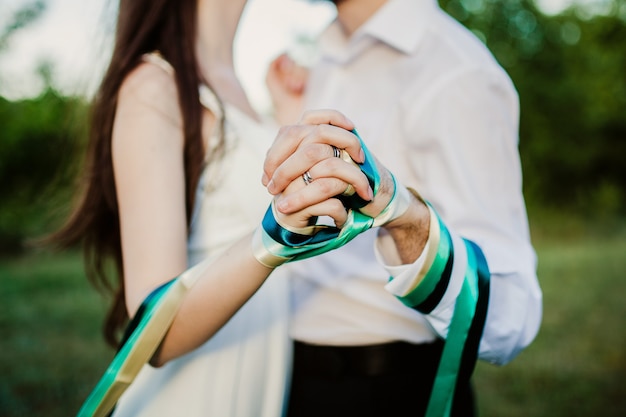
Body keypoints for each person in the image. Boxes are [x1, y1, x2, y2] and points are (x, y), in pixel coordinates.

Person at [51, 0, 375, 416]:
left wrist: (289, 115)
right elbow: (154, 333)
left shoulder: (236, 87)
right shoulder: (153, 85)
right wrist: (276, 232)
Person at [264, 0, 543, 416]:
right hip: (291, 380)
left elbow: (510, 314)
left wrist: (406, 217)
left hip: (388, 391)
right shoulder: (325, 60)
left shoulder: (457, 71)